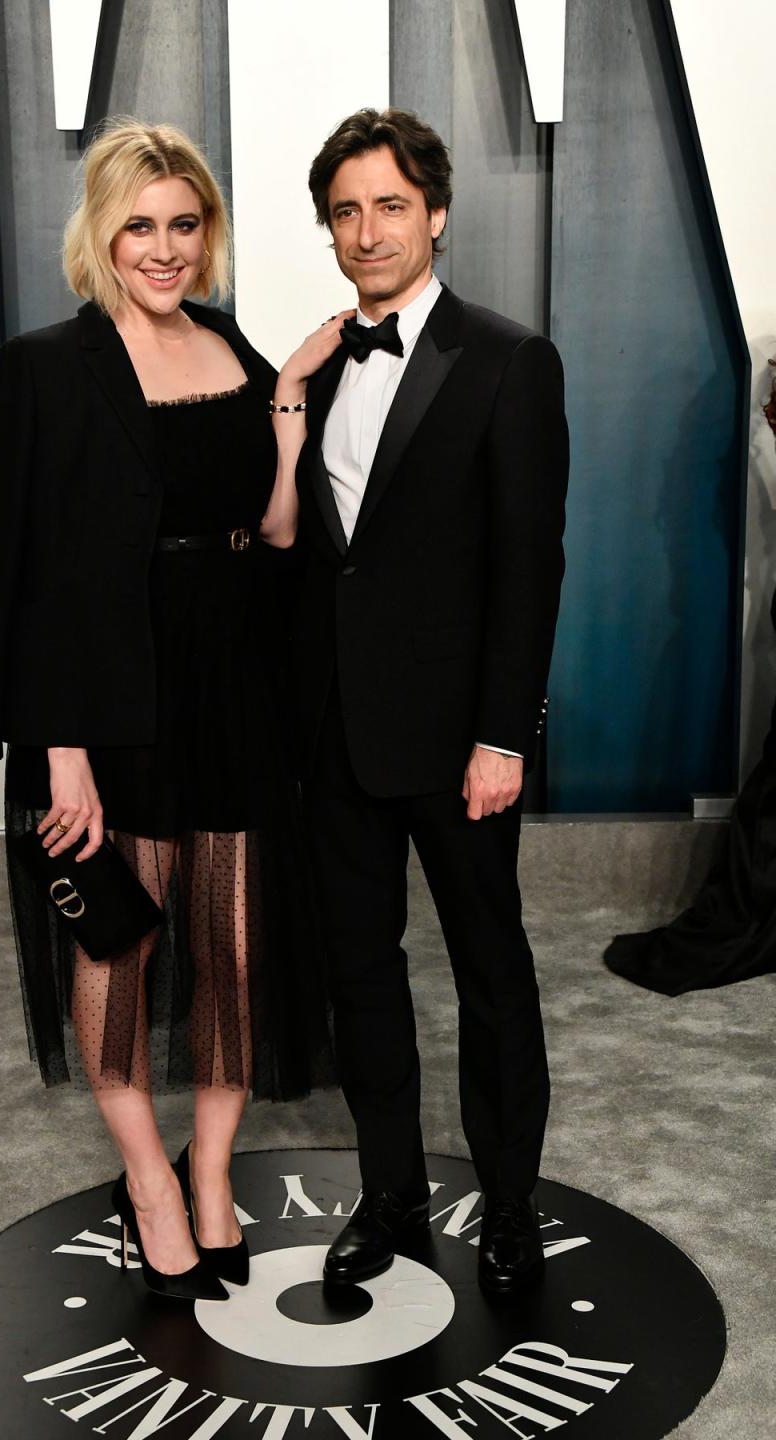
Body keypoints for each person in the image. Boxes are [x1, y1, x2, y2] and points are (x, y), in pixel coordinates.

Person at [0, 118, 336, 1301]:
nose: (166, 248)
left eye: (185, 224)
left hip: (239, 692)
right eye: (141, 225)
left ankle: (214, 1169)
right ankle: (147, 1181)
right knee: (118, 949)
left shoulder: (230, 344)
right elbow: (26, 573)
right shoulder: (42, 365)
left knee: (232, 952)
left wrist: (286, 411)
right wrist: (57, 753)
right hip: (112, 702)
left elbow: (277, 534)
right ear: (101, 230)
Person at [271, 108, 569, 1294]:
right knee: (362, 974)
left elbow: (529, 566)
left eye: (390, 205)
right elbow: (305, 555)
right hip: (334, 737)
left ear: (436, 214)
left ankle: (507, 1207)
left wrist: (505, 734)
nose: (367, 230)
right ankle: (390, 1193)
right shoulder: (316, 360)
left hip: (459, 746)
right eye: (346, 211)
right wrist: (287, 401)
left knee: (491, 971)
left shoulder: (507, 359)